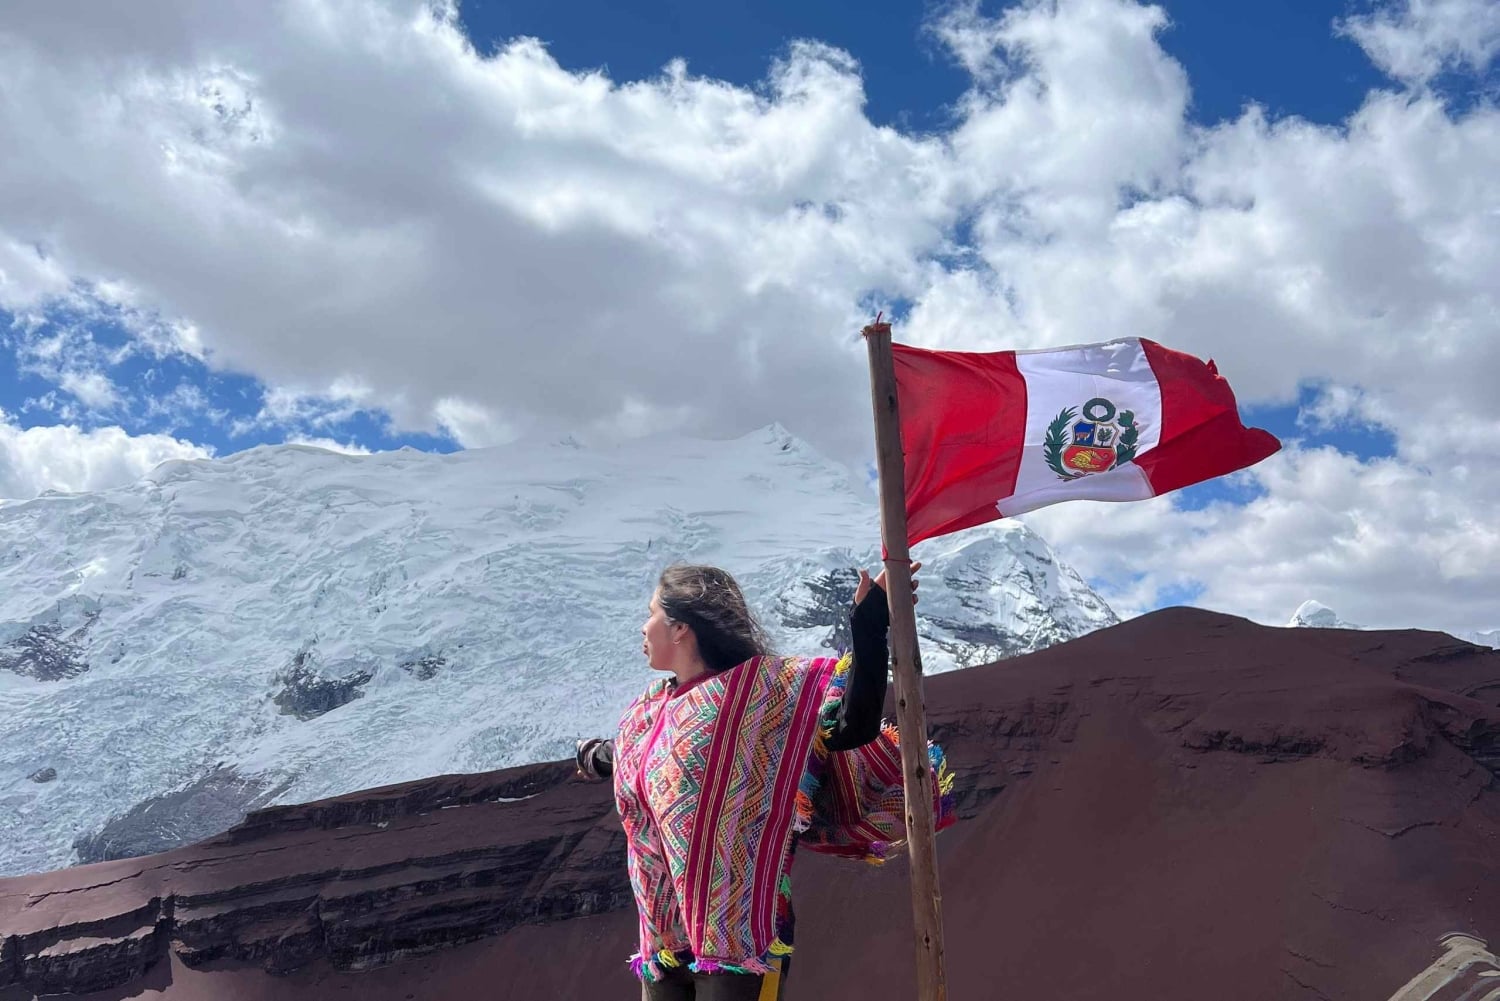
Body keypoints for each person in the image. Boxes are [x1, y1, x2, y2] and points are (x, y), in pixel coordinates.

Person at [576, 562, 955, 1000]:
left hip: (742, 940)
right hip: (664, 946)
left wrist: (869, 622)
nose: (643, 627)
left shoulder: (761, 695)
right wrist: (592, 756)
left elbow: (853, 724)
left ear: (680, 627)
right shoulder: (646, 714)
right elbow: (621, 753)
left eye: (651, 614)